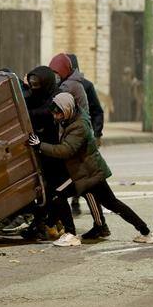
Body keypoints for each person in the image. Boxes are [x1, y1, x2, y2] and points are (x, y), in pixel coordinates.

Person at [28, 93, 153, 247]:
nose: (56, 117)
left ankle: (71, 234)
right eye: (55, 113)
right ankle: (145, 232)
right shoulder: (71, 118)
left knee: (59, 194)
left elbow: (66, 150)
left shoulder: (79, 126)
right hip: (87, 172)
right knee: (112, 204)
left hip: (88, 174)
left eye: (59, 113)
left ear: (68, 109)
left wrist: (39, 146)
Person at [49, 53, 109, 238]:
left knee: (87, 186)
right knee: (85, 186)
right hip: (79, 137)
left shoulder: (72, 86)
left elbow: (96, 110)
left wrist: (96, 134)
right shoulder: (69, 84)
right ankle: (99, 224)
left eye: (56, 72)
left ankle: (99, 226)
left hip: (79, 139)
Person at [20, 66, 71, 240]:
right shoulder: (35, 96)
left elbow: (44, 113)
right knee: (46, 192)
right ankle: (47, 224)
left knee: (53, 192)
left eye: (37, 83)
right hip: (40, 150)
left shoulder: (57, 98)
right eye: (32, 83)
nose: (34, 87)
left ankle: (52, 226)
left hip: (54, 152)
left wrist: (27, 115)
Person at [66, 53, 105, 217]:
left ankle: (80, 202)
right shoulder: (63, 85)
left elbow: (97, 110)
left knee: (84, 172)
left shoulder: (86, 86)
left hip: (84, 136)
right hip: (70, 137)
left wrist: (97, 133)